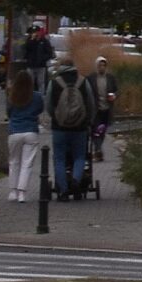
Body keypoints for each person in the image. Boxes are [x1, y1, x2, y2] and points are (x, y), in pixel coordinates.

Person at [43, 59, 95, 199]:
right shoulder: (83, 81)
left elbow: (48, 105)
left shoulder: (54, 82)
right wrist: (89, 120)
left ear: (61, 67)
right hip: (80, 127)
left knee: (59, 158)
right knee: (80, 156)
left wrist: (55, 117)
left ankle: (63, 190)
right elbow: (90, 103)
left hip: (59, 127)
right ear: (73, 67)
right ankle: (76, 180)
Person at [3, 69, 43, 204]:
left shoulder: (12, 96)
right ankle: (22, 192)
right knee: (27, 163)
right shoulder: (36, 96)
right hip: (31, 131)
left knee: (14, 161)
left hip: (14, 131)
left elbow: (8, 112)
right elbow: (40, 109)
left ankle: (12, 191)